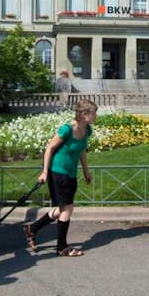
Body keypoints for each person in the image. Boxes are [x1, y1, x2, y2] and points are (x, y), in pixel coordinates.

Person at [23, 99, 97, 257]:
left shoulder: (87, 130)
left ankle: (32, 229)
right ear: (84, 114)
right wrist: (44, 172)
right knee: (68, 208)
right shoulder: (67, 129)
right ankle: (62, 247)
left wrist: (86, 171)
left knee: (62, 209)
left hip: (71, 173)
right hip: (58, 172)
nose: (95, 116)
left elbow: (82, 150)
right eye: (93, 113)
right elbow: (49, 148)